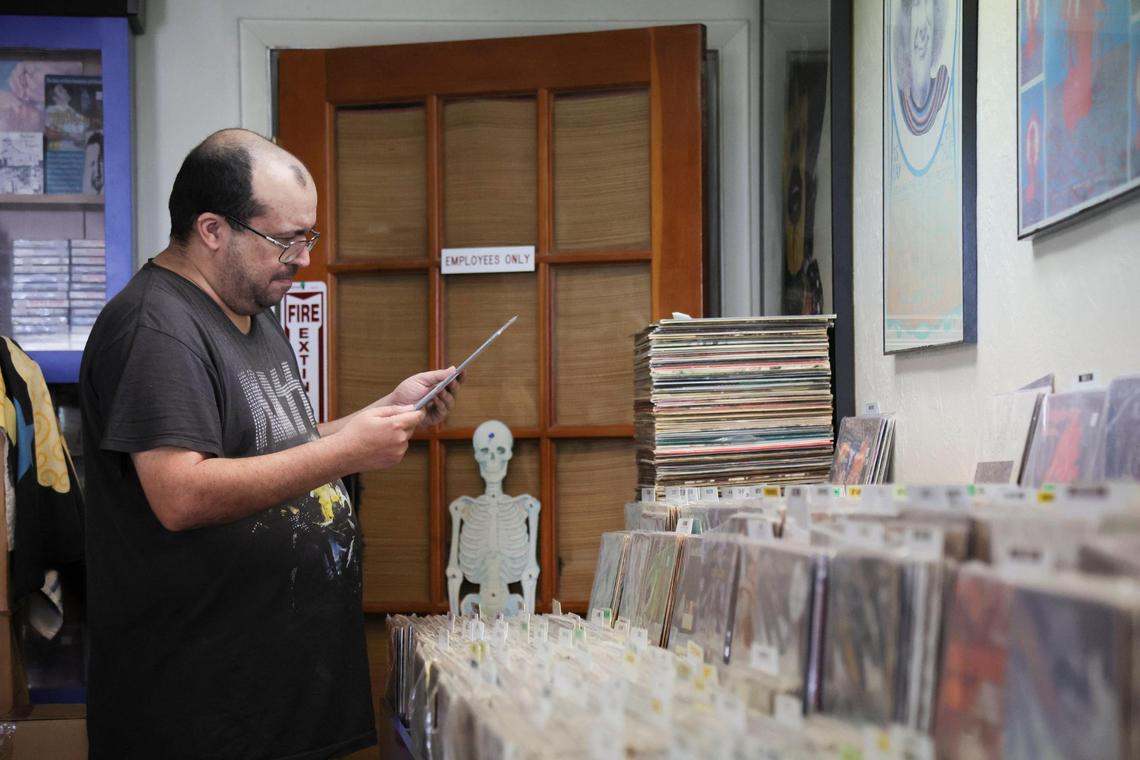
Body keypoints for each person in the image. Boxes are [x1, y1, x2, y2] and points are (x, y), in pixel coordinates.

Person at [79, 128, 461, 759]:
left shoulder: (252, 309)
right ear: (211, 229)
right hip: (199, 718)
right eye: (284, 239)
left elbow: (275, 445)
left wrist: (380, 414)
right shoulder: (156, 328)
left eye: (307, 236)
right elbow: (180, 492)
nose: (303, 258)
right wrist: (347, 453)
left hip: (274, 704)